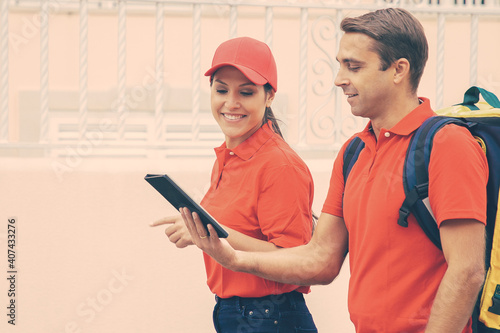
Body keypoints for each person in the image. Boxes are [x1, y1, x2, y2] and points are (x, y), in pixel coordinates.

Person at [181, 8, 489, 333]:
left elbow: (467, 271)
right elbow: (321, 258)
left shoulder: (447, 144)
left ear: (399, 70)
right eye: (340, 65)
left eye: (353, 67)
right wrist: (234, 259)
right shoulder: (353, 152)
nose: (338, 79)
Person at [151, 36, 318, 333]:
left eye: (246, 92)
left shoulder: (279, 165)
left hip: (270, 318)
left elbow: (297, 261)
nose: (231, 103)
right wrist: (201, 227)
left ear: (269, 97)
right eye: (221, 90)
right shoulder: (227, 157)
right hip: (234, 313)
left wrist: (207, 230)